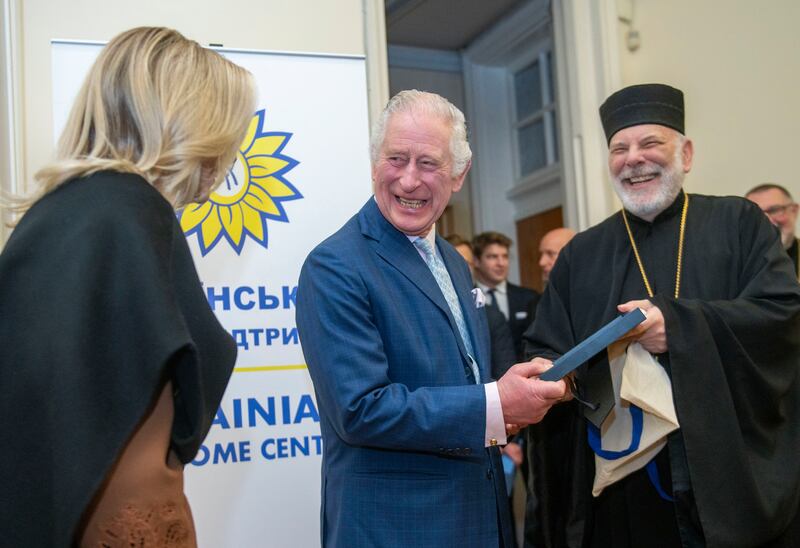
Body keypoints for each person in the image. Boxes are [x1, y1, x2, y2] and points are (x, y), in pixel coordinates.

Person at [0, 27, 256, 547]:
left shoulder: (55, 216)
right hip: (119, 514)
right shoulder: (134, 218)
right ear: (192, 123)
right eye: (228, 134)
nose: (229, 156)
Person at [524, 83, 800, 547]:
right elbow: (546, 346)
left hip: (724, 478)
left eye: (650, 143)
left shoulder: (739, 224)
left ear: (686, 153)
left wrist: (680, 328)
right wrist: (548, 378)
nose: (634, 158)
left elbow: (782, 316)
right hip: (622, 490)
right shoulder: (580, 255)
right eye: (619, 148)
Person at [296, 90, 567, 548]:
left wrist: (507, 399)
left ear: (458, 174)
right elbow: (361, 410)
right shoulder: (335, 266)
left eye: (428, 163)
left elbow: (464, 380)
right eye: (396, 158)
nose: (408, 179)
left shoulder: (453, 262)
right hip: (394, 526)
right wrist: (494, 405)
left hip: (475, 516)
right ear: (373, 163)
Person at [473, 231, 540, 361]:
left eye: (505, 256)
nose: (501, 263)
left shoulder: (529, 298)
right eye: (492, 257)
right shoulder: (467, 299)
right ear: (476, 261)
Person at [745, 183, 799, 277]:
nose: (768, 220)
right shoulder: (737, 263)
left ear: (794, 211)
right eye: (757, 213)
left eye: (775, 210)